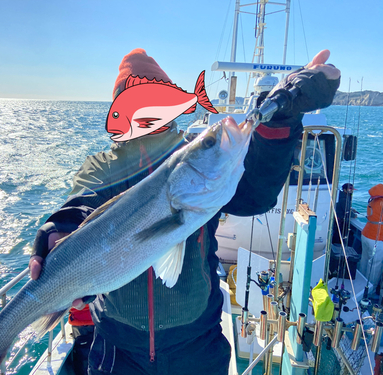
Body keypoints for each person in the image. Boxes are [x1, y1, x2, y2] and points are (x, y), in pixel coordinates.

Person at [29, 48, 340, 374]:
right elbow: (84, 202)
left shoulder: (195, 161)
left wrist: (281, 118)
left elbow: (254, 196)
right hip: (118, 349)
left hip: (196, 345)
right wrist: (59, 227)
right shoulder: (103, 168)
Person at [360, 184, 383, 290]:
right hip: (377, 239)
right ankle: (370, 291)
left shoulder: (373, 200)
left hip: (366, 234)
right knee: (374, 266)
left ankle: (360, 283)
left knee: (364, 260)